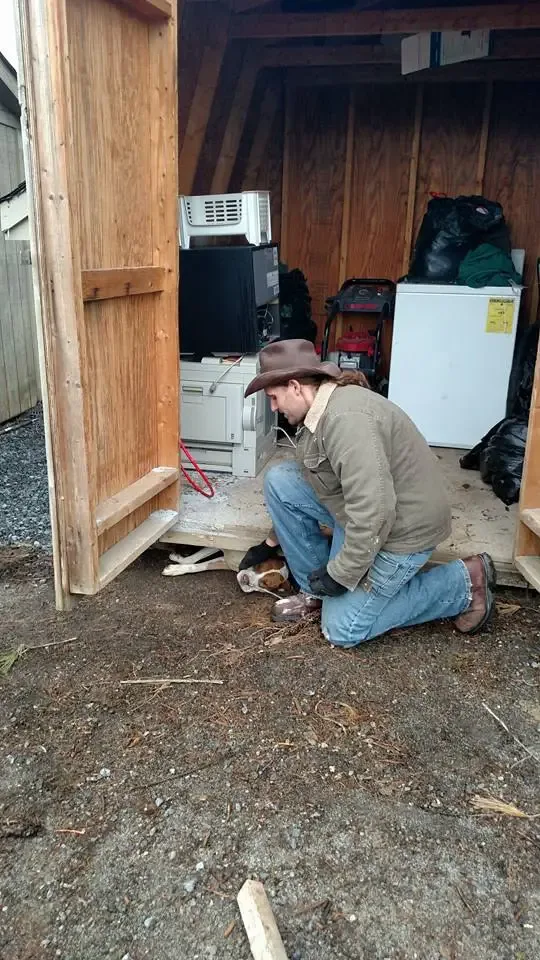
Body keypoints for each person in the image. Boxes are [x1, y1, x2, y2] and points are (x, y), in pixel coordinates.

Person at [239, 338, 496, 649]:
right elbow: (319, 482)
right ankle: (316, 594)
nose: (273, 407)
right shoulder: (317, 416)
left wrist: (341, 574)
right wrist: (270, 542)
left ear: (295, 386)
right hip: (366, 514)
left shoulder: (346, 421)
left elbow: (376, 512)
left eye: (273, 397)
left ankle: (464, 583)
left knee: (341, 629)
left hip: (400, 530)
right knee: (282, 480)